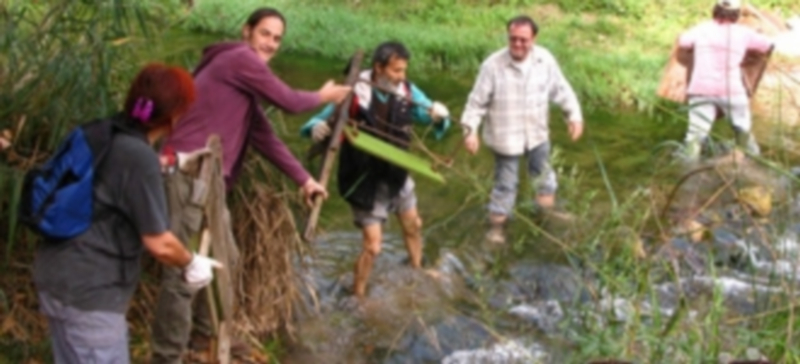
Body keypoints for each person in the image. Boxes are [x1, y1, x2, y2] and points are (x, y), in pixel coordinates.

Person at [150, 7, 351, 363]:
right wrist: (323, 96)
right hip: (186, 174)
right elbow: (290, 102)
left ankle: (204, 335)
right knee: (182, 274)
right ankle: (167, 355)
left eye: (277, 38)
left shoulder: (241, 76)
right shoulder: (239, 59)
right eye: (265, 34)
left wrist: (304, 180)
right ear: (247, 32)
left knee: (224, 258)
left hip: (208, 182)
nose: (271, 44)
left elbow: (264, 136)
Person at [33, 63, 221, 363]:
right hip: (91, 294)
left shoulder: (102, 131)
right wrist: (191, 262)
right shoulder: (139, 157)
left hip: (55, 276)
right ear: (175, 115)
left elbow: (110, 180)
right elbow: (159, 243)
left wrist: (169, 164)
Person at [300, 41, 451, 298]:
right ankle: (358, 295)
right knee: (373, 247)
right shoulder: (353, 91)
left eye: (403, 70)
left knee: (413, 224)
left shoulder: (407, 90)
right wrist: (316, 129)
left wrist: (439, 115)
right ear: (378, 67)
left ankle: (418, 268)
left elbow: (429, 116)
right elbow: (316, 121)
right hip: (363, 178)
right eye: (395, 70)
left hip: (397, 172)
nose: (401, 76)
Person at [460, 15, 584, 244]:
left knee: (544, 178)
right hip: (505, 137)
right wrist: (470, 131)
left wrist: (574, 116)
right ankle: (496, 230)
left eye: (523, 40)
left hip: (537, 133)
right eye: (513, 39)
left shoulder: (544, 60)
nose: (517, 45)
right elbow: (476, 103)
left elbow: (562, 90)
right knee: (505, 186)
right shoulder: (492, 65)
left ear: (533, 38)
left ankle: (545, 217)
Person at [679, 0, 773, 160]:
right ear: (736, 14)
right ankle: (747, 160)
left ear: (715, 10)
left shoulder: (702, 29)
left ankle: (687, 170)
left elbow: (683, 42)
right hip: (732, 91)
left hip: (701, 89)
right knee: (742, 126)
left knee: (695, 134)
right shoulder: (744, 33)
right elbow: (768, 45)